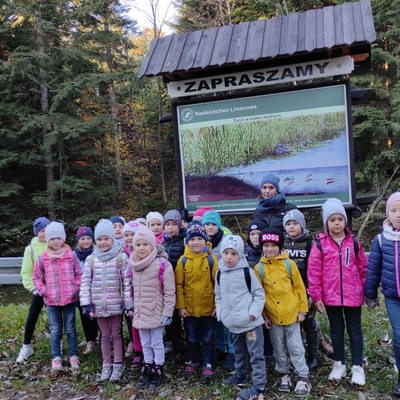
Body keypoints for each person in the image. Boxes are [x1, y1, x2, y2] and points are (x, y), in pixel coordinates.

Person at [308, 198, 368, 385]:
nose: (336, 223)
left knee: (355, 330)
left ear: (345, 221)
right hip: (331, 296)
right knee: (336, 330)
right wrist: (316, 296)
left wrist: (367, 291)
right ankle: (339, 363)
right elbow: (314, 271)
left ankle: (357, 366)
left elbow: (363, 268)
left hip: (353, 295)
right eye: (332, 220)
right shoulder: (320, 245)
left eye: (340, 219)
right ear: (327, 222)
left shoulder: (354, 243)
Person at [254, 227, 311, 396]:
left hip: (292, 315)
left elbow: (300, 288)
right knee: (278, 347)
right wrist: (264, 315)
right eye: (266, 245)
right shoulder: (259, 268)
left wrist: (302, 311)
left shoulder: (289, 264)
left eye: (273, 245)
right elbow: (259, 294)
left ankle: (302, 375)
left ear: (279, 246)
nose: (269, 249)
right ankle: (283, 373)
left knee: (295, 346)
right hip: (272, 315)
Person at [79, 219, 134, 383]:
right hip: (98, 305)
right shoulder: (91, 260)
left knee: (116, 334)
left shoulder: (121, 258)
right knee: (104, 335)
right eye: (100, 239)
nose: (103, 242)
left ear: (112, 239)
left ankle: (118, 364)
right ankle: (106, 364)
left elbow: (126, 283)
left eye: (106, 239)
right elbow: (85, 282)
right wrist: (86, 303)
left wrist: (128, 304)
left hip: (116, 304)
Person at [216, 235, 266, 400]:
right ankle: (241, 375)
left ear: (240, 255)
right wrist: (222, 313)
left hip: (250, 324)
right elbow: (218, 296)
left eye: (233, 253)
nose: (229, 257)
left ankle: (259, 386)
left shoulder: (247, 272)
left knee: (256, 355)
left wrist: (252, 313)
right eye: (226, 253)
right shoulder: (219, 273)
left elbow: (259, 293)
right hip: (232, 324)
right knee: (239, 353)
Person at [129, 225, 176, 389]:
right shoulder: (133, 264)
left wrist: (167, 312)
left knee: (157, 342)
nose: (141, 248)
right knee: (144, 343)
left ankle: (158, 369)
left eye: (145, 244)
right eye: (138, 245)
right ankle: (147, 366)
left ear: (152, 245)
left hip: (156, 311)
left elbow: (170, 292)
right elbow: (130, 288)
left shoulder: (163, 264)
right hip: (140, 312)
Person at [32, 221, 82, 372]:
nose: (55, 241)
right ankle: (56, 357)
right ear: (48, 240)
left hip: (70, 299)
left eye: (58, 238)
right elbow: (36, 277)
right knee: (55, 329)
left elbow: (79, 274)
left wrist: (75, 288)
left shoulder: (71, 256)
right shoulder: (42, 258)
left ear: (63, 238)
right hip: (52, 300)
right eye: (52, 238)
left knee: (70, 328)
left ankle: (73, 355)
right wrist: (44, 290)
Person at [365, 191, 400, 394]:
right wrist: (370, 295)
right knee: (398, 336)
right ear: (388, 214)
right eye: (394, 210)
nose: (398, 215)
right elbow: (374, 269)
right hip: (392, 297)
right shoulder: (381, 239)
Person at [175, 223, 218, 379]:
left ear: (205, 240)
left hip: (208, 307)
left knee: (208, 336)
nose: (196, 242)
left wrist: (217, 305)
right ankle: (193, 360)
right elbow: (179, 285)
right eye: (192, 239)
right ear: (188, 242)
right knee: (191, 336)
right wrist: (180, 306)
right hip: (190, 308)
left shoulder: (211, 260)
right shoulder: (183, 261)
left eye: (200, 238)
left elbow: (218, 284)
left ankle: (207, 362)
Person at [283, 209, 319, 369]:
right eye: (288, 224)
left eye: (295, 223)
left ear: (302, 225)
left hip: (306, 292)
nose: (291, 227)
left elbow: (315, 269)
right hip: (288, 294)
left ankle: (314, 355)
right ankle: (297, 356)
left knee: (309, 325)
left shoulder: (310, 243)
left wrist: (312, 292)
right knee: (292, 325)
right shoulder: (282, 244)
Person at [202, 209, 235, 370]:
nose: (210, 227)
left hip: (226, 285)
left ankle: (232, 351)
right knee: (217, 320)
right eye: (207, 224)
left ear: (219, 226)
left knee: (229, 320)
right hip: (210, 286)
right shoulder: (201, 242)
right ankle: (221, 348)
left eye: (213, 224)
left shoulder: (227, 241)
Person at [16, 216, 51, 363]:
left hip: (55, 290)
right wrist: (33, 289)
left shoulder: (56, 245)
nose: (44, 233)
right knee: (32, 316)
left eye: (47, 230)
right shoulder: (30, 250)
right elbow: (26, 272)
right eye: (41, 230)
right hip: (38, 290)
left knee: (57, 319)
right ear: (37, 232)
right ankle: (26, 346)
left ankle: (58, 346)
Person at [161, 209, 186, 356]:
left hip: (182, 286)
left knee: (184, 316)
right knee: (172, 318)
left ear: (179, 225)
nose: (170, 227)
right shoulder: (163, 244)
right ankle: (174, 345)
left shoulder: (184, 241)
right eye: (167, 224)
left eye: (173, 224)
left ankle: (186, 345)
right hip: (168, 288)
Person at [74, 226, 98, 356]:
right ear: (78, 240)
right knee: (85, 317)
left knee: (97, 317)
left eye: (88, 238)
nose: (86, 241)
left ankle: (98, 338)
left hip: (96, 291)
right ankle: (90, 340)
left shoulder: (97, 253)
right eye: (83, 239)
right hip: (81, 291)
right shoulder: (73, 255)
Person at [121, 220, 142, 366]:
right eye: (126, 235)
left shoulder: (142, 251)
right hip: (128, 294)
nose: (129, 238)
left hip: (143, 292)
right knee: (133, 323)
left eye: (132, 235)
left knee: (145, 324)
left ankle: (147, 350)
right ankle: (137, 350)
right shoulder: (121, 253)